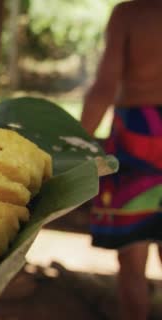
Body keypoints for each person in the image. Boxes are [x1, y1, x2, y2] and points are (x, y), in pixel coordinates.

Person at [81, 1, 162, 319]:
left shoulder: (130, 14)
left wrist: (74, 143)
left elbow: (104, 86)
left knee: (132, 261)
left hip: (137, 134)